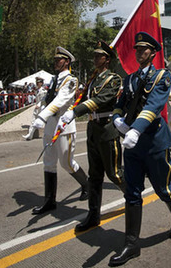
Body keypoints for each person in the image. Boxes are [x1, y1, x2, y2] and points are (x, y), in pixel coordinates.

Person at [109, 32, 171, 267]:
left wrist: (135, 129)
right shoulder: (129, 79)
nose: (138, 52)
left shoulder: (162, 76)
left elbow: (154, 105)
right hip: (133, 145)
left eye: (143, 49)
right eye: (137, 49)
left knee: (162, 189)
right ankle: (131, 244)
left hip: (152, 142)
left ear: (153, 53)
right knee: (132, 193)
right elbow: (119, 105)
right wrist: (117, 120)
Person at [57, 41, 126, 232]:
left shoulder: (113, 79)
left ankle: (132, 197)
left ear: (107, 59)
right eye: (94, 55)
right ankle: (93, 215)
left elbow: (101, 100)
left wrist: (75, 111)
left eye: (99, 56)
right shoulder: (94, 79)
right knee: (95, 176)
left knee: (114, 173)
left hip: (106, 129)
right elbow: (86, 97)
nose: (95, 58)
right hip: (93, 129)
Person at [29, 47, 89, 215]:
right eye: (55, 60)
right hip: (50, 125)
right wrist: (37, 120)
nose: (56, 62)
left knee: (66, 163)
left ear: (67, 61)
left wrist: (42, 117)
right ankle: (49, 201)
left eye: (59, 60)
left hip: (64, 127)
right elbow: (46, 100)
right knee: (48, 162)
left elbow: (61, 100)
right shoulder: (53, 79)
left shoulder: (71, 80)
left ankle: (87, 185)